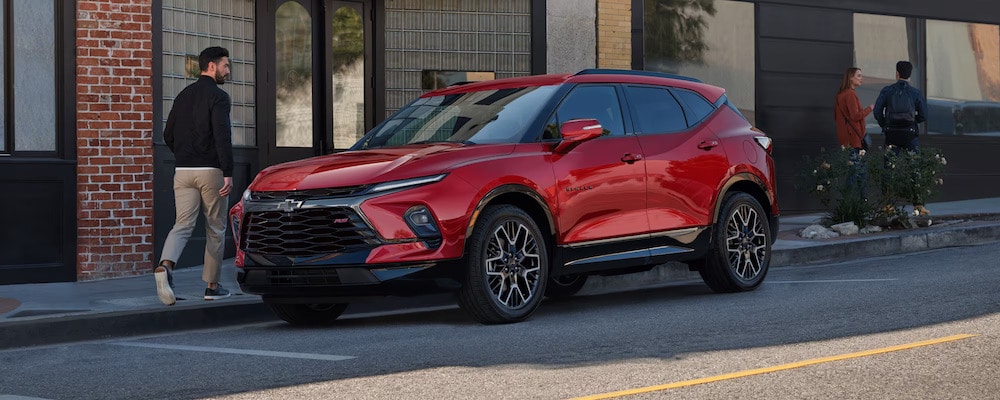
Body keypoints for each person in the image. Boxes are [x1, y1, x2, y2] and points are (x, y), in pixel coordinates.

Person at [155, 46, 234, 305]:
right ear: (211, 66)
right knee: (216, 227)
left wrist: (184, 154)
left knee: (182, 224)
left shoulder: (183, 95)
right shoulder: (219, 97)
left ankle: (165, 267)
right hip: (211, 171)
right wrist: (228, 172)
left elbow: (168, 134)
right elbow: (222, 135)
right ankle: (212, 286)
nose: (228, 70)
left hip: (183, 171)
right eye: (225, 65)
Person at [873, 60, 930, 215]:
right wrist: (912, 122)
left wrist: (885, 125)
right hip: (910, 134)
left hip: (892, 135)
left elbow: (877, 112)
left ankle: (888, 205)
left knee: (889, 169)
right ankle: (918, 205)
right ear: (910, 75)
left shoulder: (887, 91)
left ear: (897, 73)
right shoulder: (915, 93)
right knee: (914, 168)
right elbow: (924, 115)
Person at [834, 67, 873, 196]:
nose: (861, 78)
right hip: (854, 139)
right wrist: (870, 108)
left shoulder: (840, 95)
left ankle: (855, 204)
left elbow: (837, 118)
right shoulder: (850, 94)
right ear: (851, 78)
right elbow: (856, 116)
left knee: (856, 173)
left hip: (847, 139)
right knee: (857, 174)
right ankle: (856, 203)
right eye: (859, 76)